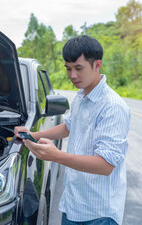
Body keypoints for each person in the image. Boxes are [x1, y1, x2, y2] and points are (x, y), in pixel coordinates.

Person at [14, 35, 130, 225]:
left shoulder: (112, 107)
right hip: (73, 204)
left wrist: (55, 155)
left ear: (97, 65)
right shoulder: (81, 96)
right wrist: (33, 134)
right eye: (68, 69)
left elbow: (106, 165)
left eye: (78, 68)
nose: (72, 76)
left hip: (99, 213)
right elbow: (69, 126)